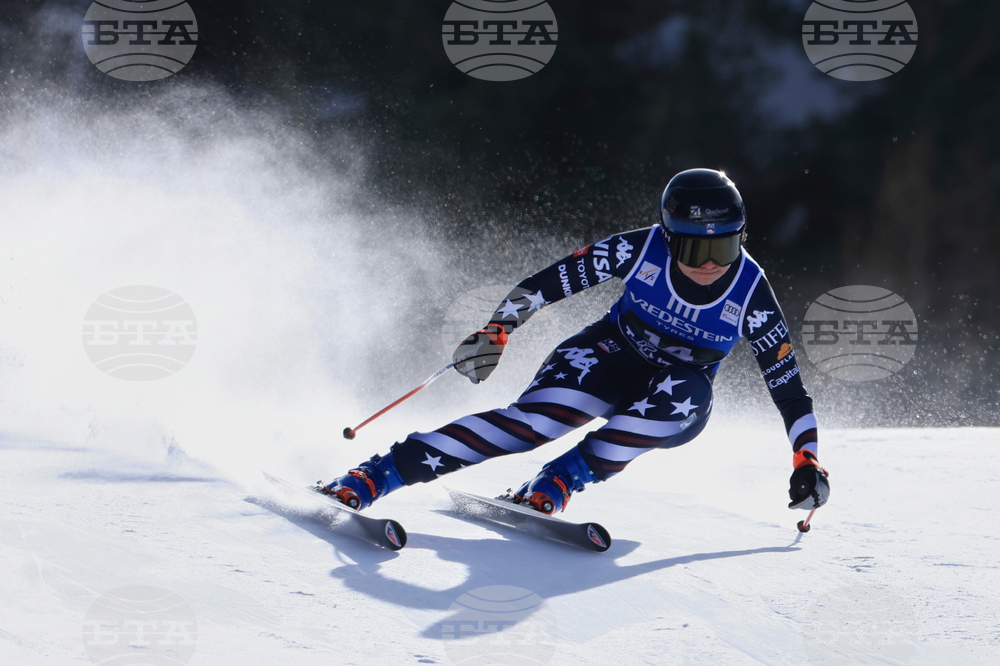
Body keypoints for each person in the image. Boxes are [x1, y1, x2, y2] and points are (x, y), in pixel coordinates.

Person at [323, 169, 830, 516]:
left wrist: (805, 458)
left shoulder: (751, 292)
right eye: (697, 248)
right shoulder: (640, 248)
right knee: (534, 425)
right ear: (670, 237)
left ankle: (562, 479)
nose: (711, 264)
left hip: (674, 393)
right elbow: (550, 282)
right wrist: (500, 327)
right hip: (608, 356)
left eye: (726, 245)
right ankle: (379, 473)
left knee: (686, 395)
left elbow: (788, 391)